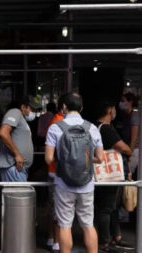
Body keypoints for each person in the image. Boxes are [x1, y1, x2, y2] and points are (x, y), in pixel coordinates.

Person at [45, 93, 104, 253]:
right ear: (82, 108)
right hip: (86, 184)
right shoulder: (92, 128)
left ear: (63, 107)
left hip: (63, 184)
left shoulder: (55, 128)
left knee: (65, 225)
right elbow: (100, 158)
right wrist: (84, 160)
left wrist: (66, 160)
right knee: (88, 225)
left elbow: (49, 159)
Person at [94, 99, 132, 252]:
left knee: (112, 207)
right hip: (109, 175)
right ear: (110, 110)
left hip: (102, 173)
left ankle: (116, 237)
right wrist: (129, 151)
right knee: (106, 208)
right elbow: (123, 148)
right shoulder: (106, 129)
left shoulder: (94, 126)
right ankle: (106, 241)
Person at [0, 97, 37, 182]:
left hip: (18, 168)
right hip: (13, 167)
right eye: (31, 108)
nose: (32, 111)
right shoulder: (15, 112)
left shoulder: (21, 118)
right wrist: (17, 155)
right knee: (18, 195)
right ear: (23, 107)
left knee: (18, 194)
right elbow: (3, 133)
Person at [45, 96, 66, 253]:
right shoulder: (59, 123)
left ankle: (52, 238)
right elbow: (51, 156)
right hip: (58, 172)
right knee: (59, 210)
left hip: (54, 171)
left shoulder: (55, 121)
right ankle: (58, 243)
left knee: (53, 207)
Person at [119, 92, 139, 176]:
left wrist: (130, 153)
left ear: (130, 102)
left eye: (123, 101)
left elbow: (134, 138)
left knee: (128, 173)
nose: (121, 103)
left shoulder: (134, 115)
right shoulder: (126, 115)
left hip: (134, 150)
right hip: (128, 149)